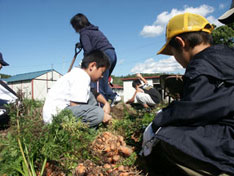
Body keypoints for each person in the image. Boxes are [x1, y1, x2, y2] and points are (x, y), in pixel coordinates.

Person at [141, 13, 234, 175]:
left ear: (180, 43)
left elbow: (194, 111)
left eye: (173, 53)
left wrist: (160, 119)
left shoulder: (200, 64)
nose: (176, 59)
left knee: (169, 137)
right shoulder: (227, 54)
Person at [43, 50, 112, 127]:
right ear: (92, 66)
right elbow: (75, 105)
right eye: (102, 72)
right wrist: (102, 115)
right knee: (98, 113)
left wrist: (106, 103)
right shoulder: (81, 77)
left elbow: (94, 93)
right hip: (56, 118)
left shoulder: (79, 74)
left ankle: (92, 128)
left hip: (59, 115)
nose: (102, 76)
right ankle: (85, 133)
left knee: (91, 95)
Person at [70, 13, 121, 106]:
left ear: (76, 25)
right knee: (103, 81)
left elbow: (88, 50)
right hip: (112, 54)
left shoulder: (83, 32)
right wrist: (81, 44)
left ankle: (101, 109)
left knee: (96, 84)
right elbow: (94, 42)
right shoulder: (93, 30)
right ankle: (113, 97)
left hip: (102, 56)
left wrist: (85, 64)